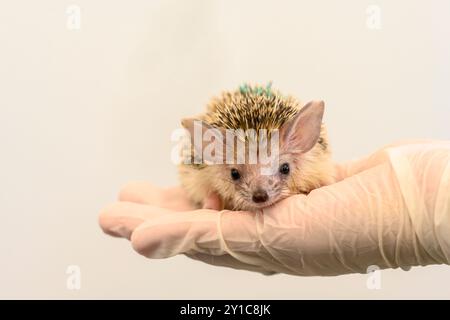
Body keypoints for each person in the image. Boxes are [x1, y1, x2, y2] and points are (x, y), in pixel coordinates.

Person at [99, 140, 450, 276]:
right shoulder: (207, 169)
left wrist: (420, 202)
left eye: (282, 170)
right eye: (237, 175)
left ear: (302, 139)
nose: (261, 192)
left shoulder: (311, 162)